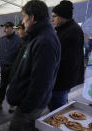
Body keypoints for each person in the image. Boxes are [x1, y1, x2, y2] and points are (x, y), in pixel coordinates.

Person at [6, 0, 61, 130]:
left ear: (32, 18)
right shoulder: (39, 36)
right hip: (28, 104)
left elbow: (41, 82)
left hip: (30, 107)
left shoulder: (44, 41)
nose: (23, 22)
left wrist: (26, 107)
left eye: (24, 17)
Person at [49, 0, 85, 111]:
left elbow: (67, 62)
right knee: (55, 106)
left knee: (58, 109)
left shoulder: (73, 32)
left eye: (54, 16)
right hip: (59, 80)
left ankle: (56, 127)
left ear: (63, 17)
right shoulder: (64, 29)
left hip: (61, 81)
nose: (51, 19)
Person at [0, 21, 21, 113]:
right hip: (4, 67)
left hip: (14, 69)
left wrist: (16, 66)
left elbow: (21, 55)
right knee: (2, 86)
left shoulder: (19, 39)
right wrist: (1, 62)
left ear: (12, 28)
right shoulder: (2, 39)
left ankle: (13, 104)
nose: (4, 30)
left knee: (13, 87)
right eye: (4, 28)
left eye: (6, 28)